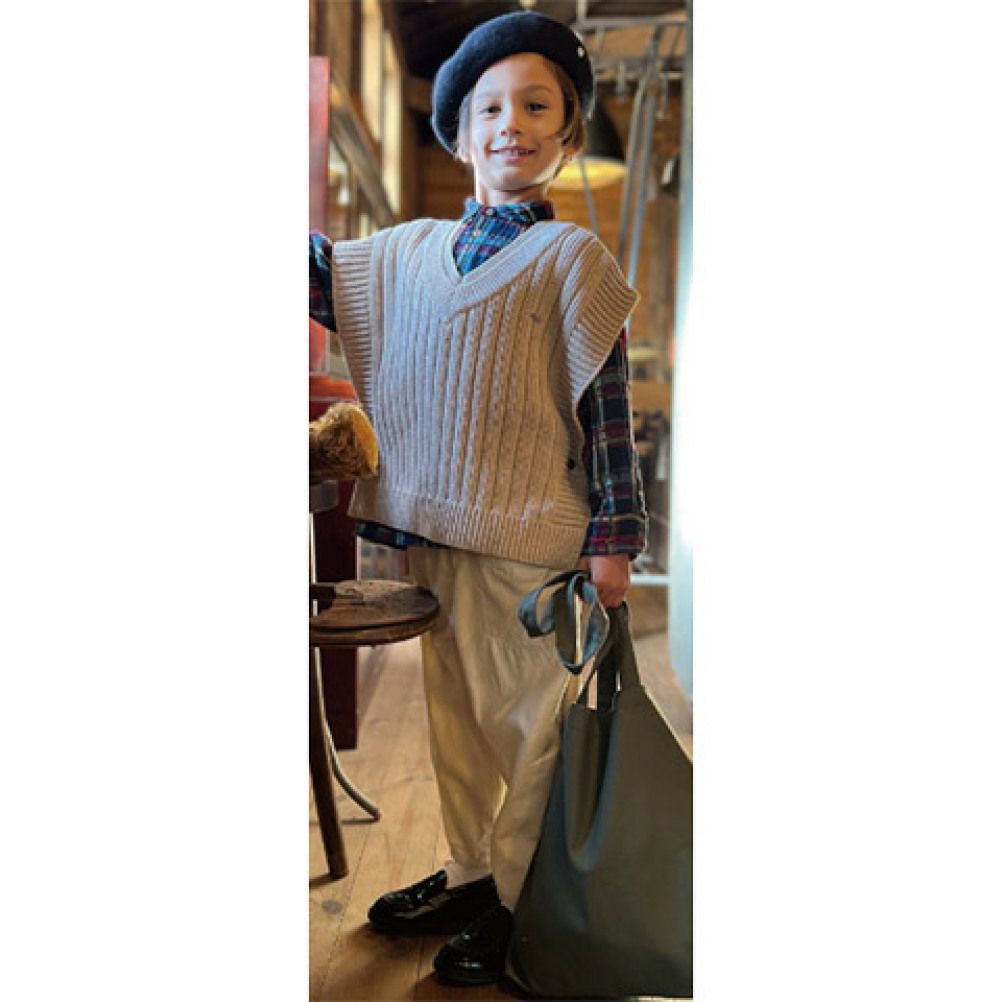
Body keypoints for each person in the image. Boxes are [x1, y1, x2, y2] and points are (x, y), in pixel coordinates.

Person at [308, 10, 648, 987]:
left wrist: (615, 537)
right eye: (490, 108)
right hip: (434, 531)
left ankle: (525, 899)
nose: (512, 124)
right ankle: (472, 871)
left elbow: (607, 409)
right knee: (457, 721)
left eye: (538, 106)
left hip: (528, 540)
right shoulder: (404, 254)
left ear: (567, 135)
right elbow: (322, 278)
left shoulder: (574, 261)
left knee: (527, 727)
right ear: (458, 134)